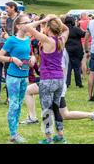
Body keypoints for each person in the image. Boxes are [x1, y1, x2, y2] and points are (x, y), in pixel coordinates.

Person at [24, 15, 70, 144]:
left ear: (48, 28)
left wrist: (43, 20)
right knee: (55, 107)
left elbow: (27, 27)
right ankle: (60, 135)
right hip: (60, 79)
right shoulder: (61, 39)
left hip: (48, 79)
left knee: (46, 109)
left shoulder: (47, 40)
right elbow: (66, 30)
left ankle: (48, 137)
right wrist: (56, 19)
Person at [0, 14, 36, 144]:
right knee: (13, 105)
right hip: (13, 77)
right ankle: (13, 135)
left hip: (24, 77)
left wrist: (32, 59)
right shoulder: (11, 40)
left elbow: (29, 55)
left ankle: (15, 133)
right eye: (26, 22)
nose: (29, 24)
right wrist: (12, 59)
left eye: (30, 22)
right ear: (19, 26)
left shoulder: (27, 40)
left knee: (19, 105)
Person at [64, 16, 85, 88]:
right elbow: (83, 34)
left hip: (67, 49)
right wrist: (80, 28)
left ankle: (67, 82)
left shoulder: (64, 29)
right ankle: (78, 83)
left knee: (68, 67)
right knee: (77, 67)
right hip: (77, 50)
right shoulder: (76, 29)